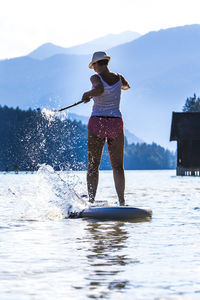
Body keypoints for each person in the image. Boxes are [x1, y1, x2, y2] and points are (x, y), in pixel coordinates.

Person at [82, 51, 130, 206]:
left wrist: (87, 94)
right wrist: (116, 87)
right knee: (118, 167)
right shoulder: (119, 77)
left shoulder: (95, 77)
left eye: (93, 65)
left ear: (97, 64)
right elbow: (126, 86)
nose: (93, 69)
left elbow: (99, 89)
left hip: (98, 122)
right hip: (116, 122)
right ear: (106, 62)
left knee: (93, 165)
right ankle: (122, 201)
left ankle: (91, 201)